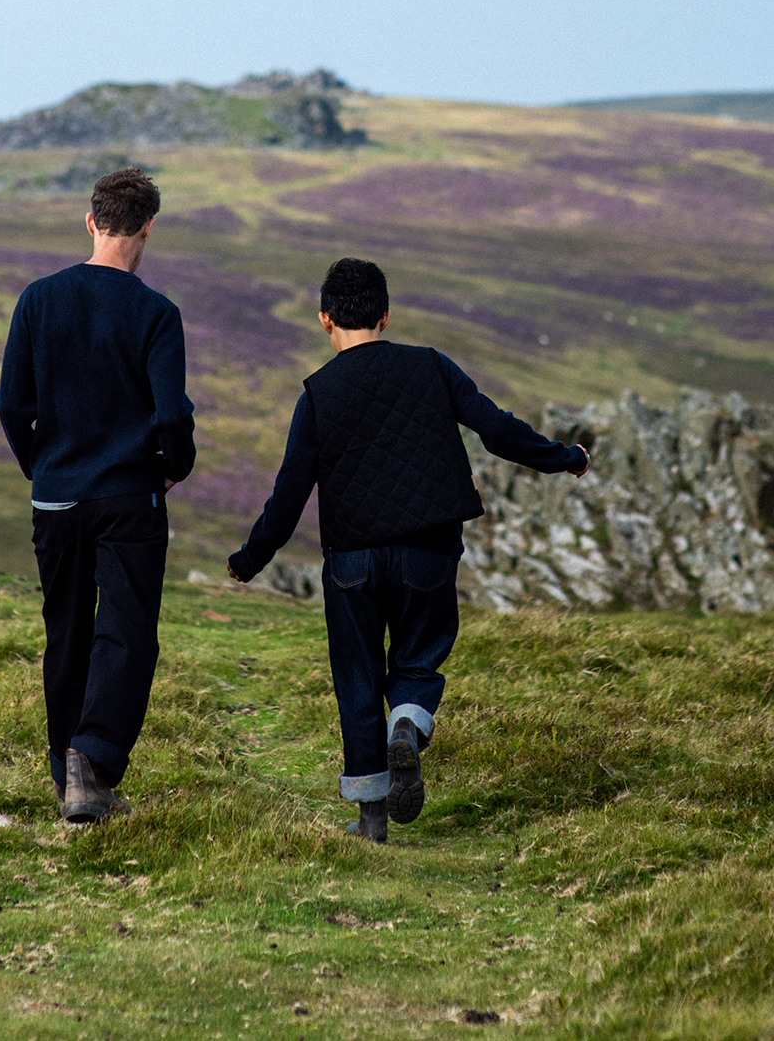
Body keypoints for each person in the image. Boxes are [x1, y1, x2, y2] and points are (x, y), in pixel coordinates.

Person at [227, 258, 589, 843]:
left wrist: (250, 559)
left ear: (324, 320)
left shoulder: (317, 395)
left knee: (358, 677)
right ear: (387, 314)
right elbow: (496, 430)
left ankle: (371, 820)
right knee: (418, 662)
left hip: (352, 563)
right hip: (428, 550)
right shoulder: (431, 367)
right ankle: (408, 723)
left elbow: (289, 494)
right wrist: (565, 457)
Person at [0, 168, 195, 824]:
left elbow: (11, 402)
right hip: (131, 498)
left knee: (67, 633)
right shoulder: (157, 315)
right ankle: (93, 760)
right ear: (148, 227)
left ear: (91, 222)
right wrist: (176, 466)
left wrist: (41, 467)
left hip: (56, 498)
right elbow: (171, 416)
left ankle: (66, 776)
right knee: (127, 632)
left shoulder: (37, 299)